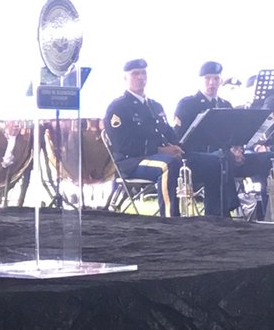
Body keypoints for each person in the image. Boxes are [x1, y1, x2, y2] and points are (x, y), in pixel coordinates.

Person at [103, 59, 233, 217]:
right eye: (135, 74)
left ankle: (216, 217)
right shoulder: (118, 107)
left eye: (143, 73)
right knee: (168, 165)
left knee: (215, 162)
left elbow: (170, 134)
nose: (140, 77)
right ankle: (170, 220)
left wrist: (178, 147)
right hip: (132, 161)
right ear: (125, 78)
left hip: (161, 156)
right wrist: (160, 150)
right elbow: (122, 145)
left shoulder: (154, 106)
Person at [174, 61, 272, 219]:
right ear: (200, 80)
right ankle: (220, 216)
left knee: (268, 159)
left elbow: (236, 135)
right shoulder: (188, 104)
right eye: (207, 78)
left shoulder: (225, 104)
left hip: (228, 158)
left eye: (216, 78)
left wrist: (237, 150)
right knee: (220, 160)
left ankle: (265, 215)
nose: (212, 83)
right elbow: (180, 139)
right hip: (198, 160)